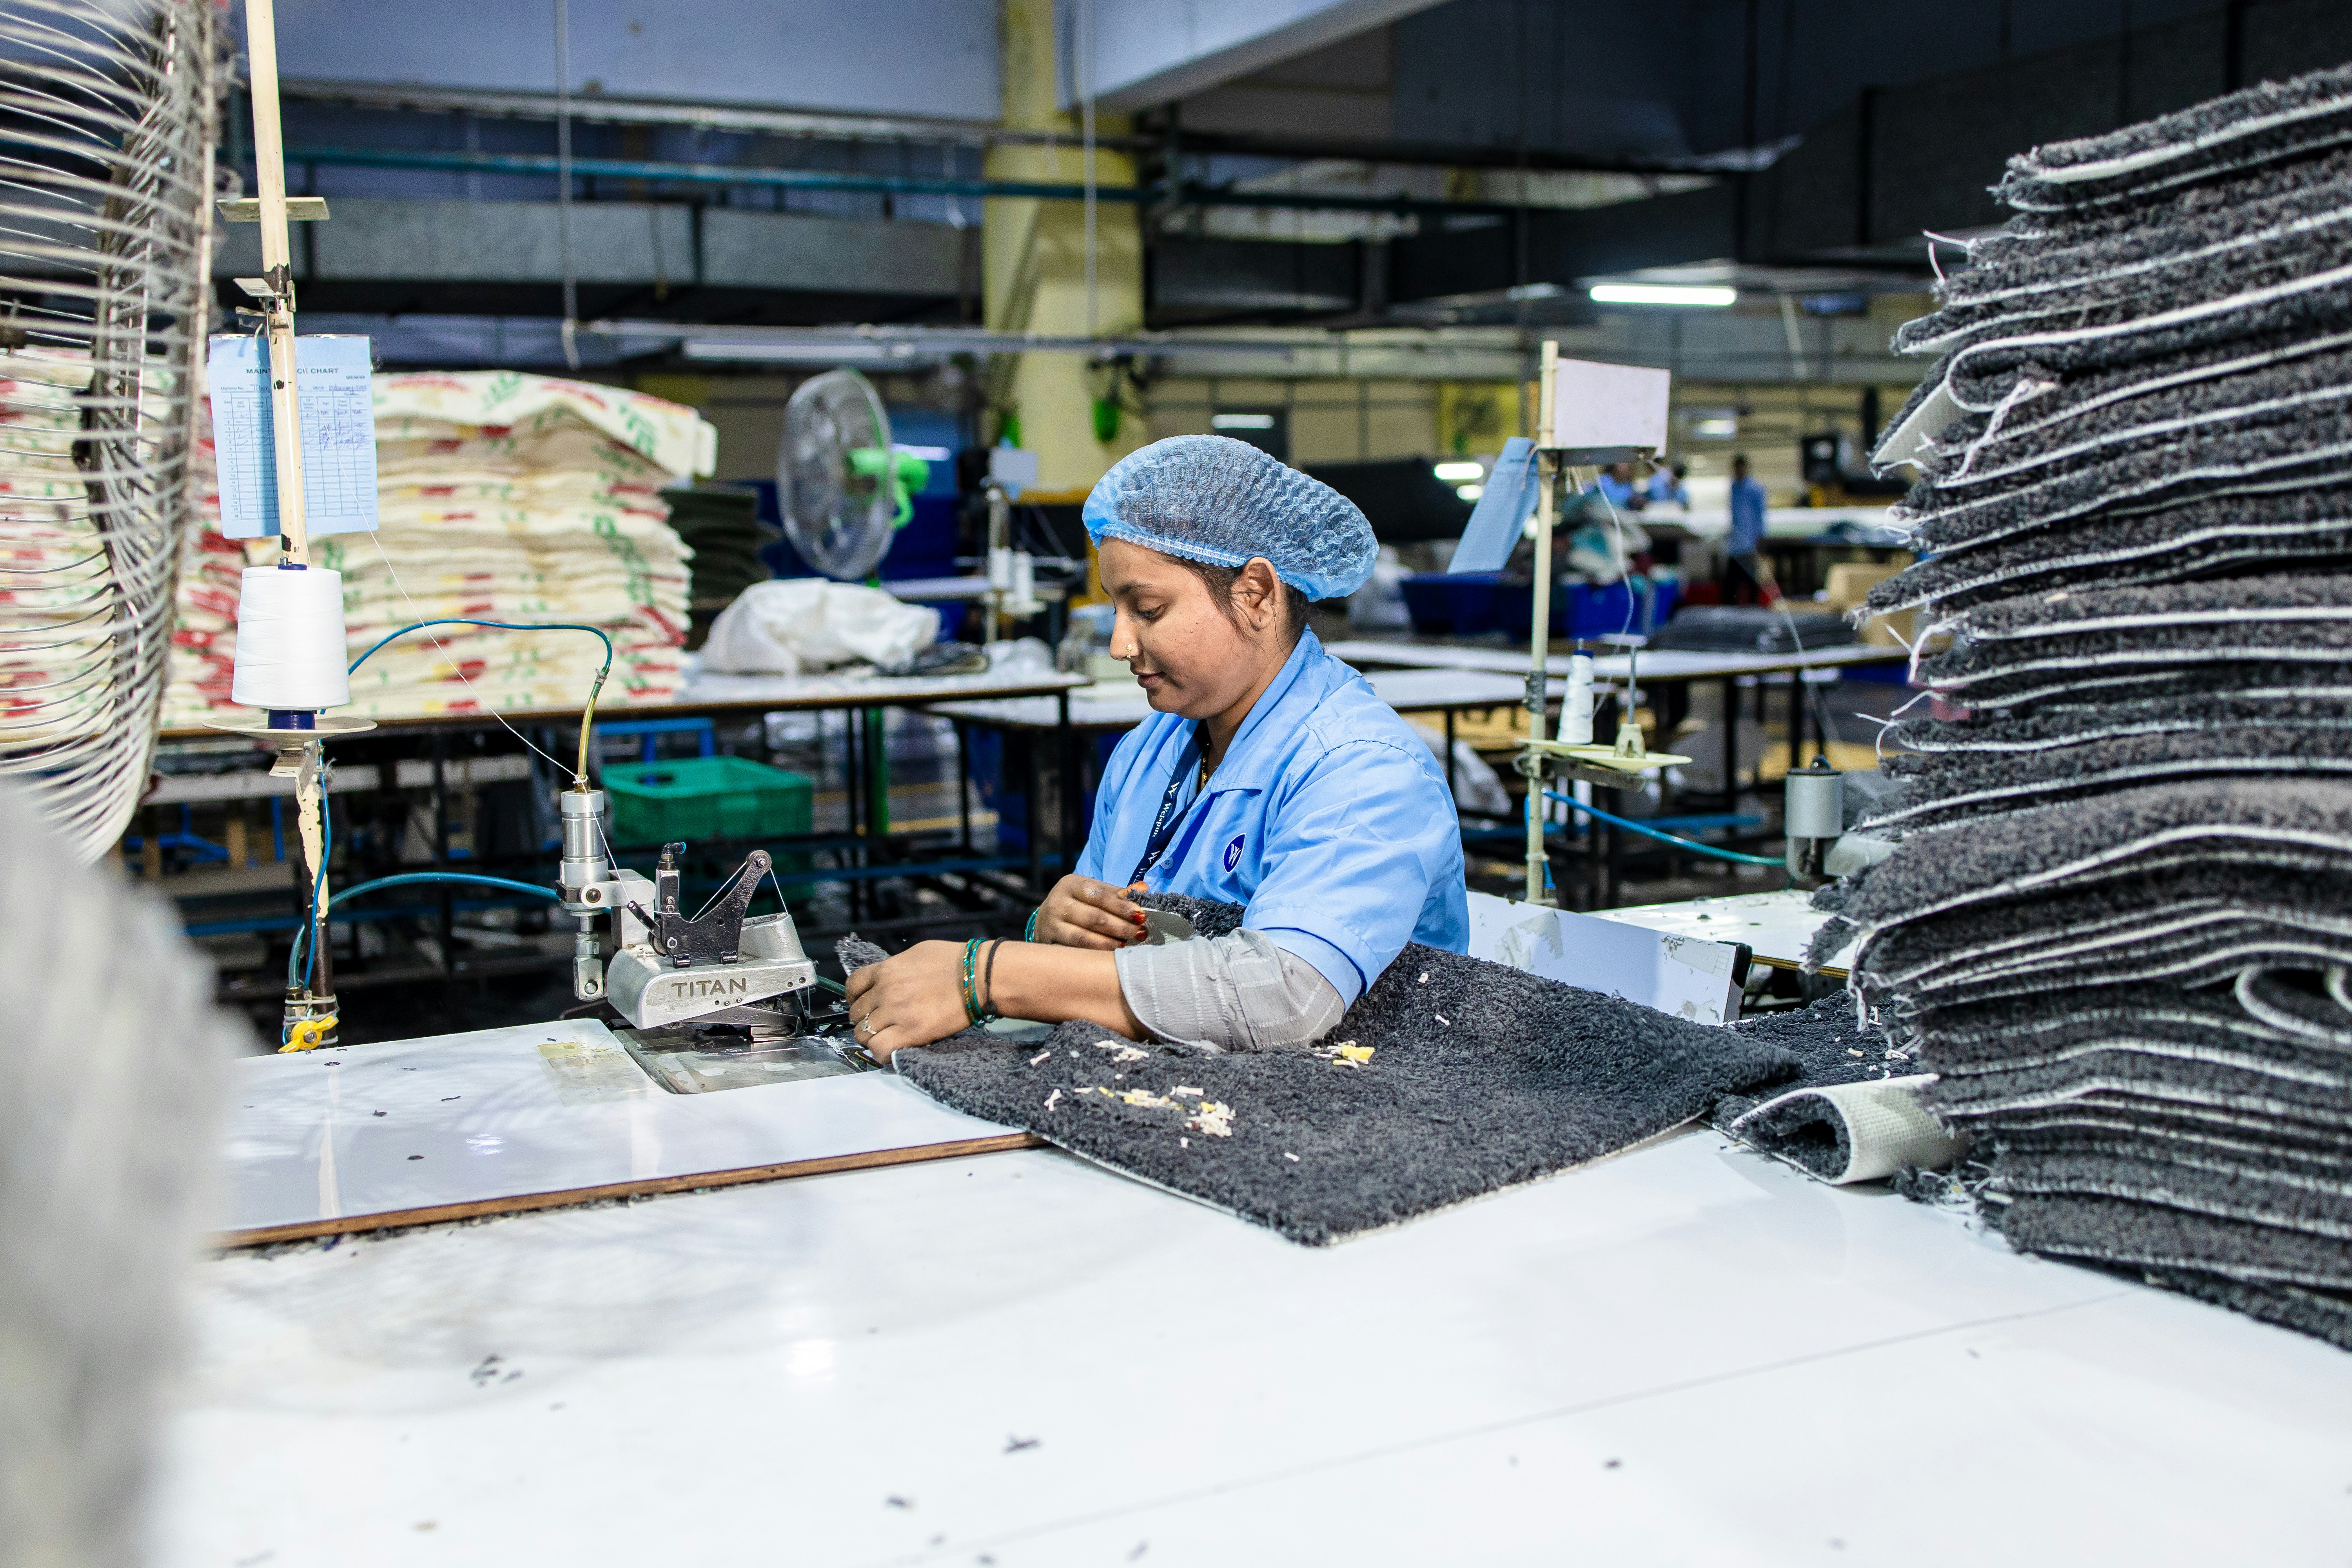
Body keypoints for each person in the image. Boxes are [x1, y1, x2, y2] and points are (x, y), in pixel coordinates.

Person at [845, 435, 1468, 1057]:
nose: (1120, 645)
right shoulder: (1152, 750)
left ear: (1256, 593)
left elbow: (1286, 996)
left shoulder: (1361, 768)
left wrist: (992, 975)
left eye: (1148, 609)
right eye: (1117, 610)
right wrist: (1056, 932)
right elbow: (1105, 956)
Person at [1722, 453, 1777, 605]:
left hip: (1750, 542)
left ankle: (1754, 608)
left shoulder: (1755, 489)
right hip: (1736, 543)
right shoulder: (1733, 488)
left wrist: (1760, 539)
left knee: (1751, 582)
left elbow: (1760, 516)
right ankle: (1731, 610)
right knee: (1732, 584)